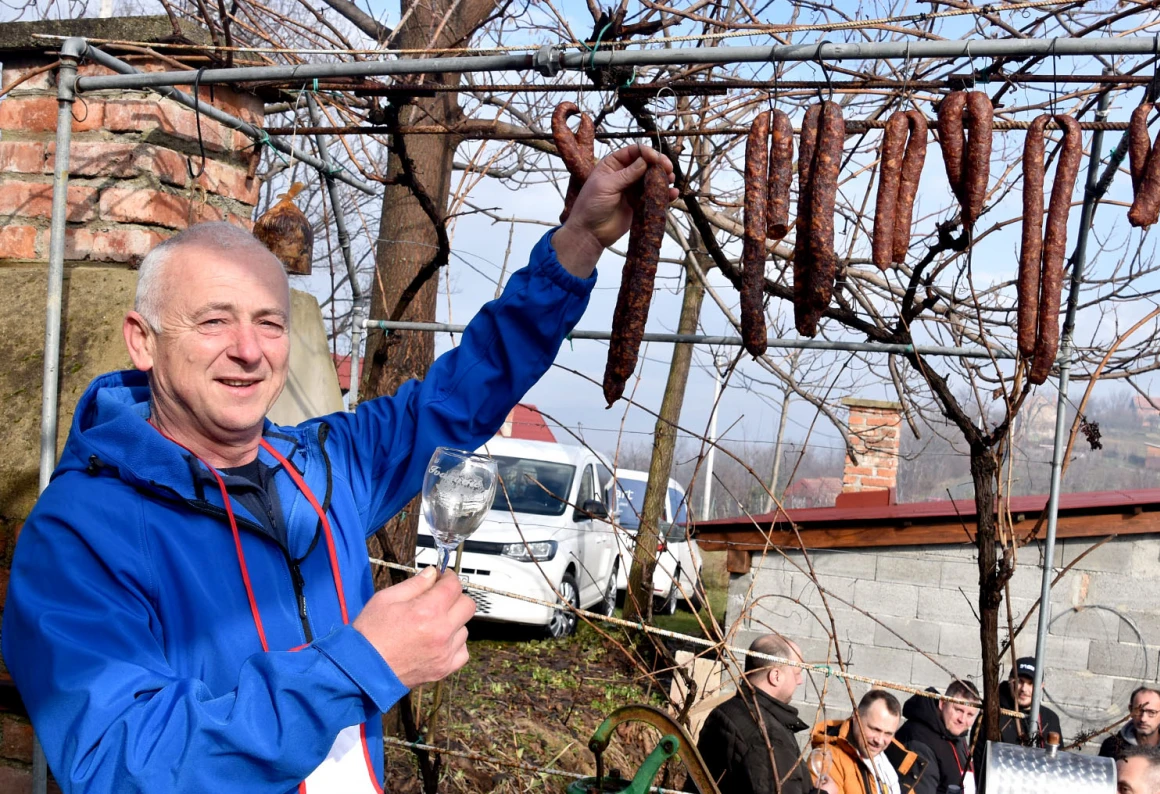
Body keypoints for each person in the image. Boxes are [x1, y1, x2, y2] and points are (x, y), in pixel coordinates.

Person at [2, 144, 677, 792]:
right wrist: (359, 665)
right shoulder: (80, 533)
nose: (249, 350)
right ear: (142, 341)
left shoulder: (325, 466)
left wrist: (579, 241)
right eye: (214, 322)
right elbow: (121, 765)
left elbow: (466, 391)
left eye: (270, 323)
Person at [691, 635, 837, 794]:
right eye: (797, 673)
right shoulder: (767, 735)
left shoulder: (727, 710)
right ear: (776, 676)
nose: (800, 681)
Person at [810, 689, 927, 794]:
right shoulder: (827, 759)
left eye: (888, 733)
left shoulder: (896, 761)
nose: (879, 741)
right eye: (875, 729)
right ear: (856, 717)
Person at [895, 680, 980, 794]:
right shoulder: (919, 740)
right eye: (958, 710)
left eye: (970, 714)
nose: (962, 720)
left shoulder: (955, 734)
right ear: (943, 704)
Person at [1100, 687, 1160, 768]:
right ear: (1130, 710)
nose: (1143, 719)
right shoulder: (1112, 746)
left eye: (1151, 712)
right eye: (1138, 711)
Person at [996, 656, 1062, 747]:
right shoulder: (995, 715)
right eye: (1019, 681)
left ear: (1041, 686)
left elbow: (1057, 754)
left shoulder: (1050, 719)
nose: (1024, 689)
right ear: (1010, 681)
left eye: (1031, 683)